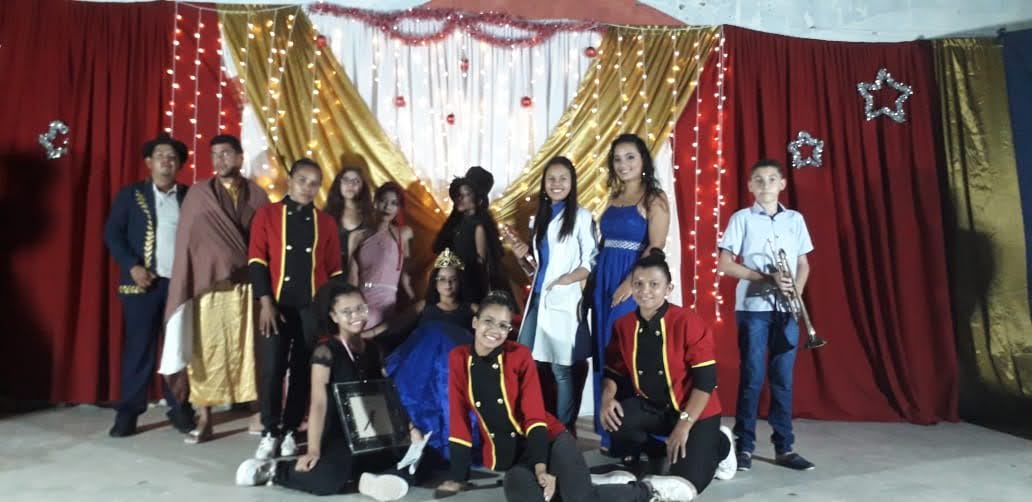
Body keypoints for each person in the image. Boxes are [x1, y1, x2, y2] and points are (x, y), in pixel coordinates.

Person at [436, 290, 694, 502]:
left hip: (550, 441)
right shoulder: (458, 358)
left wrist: (541, 468)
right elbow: (459, 419)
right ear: (475, 322)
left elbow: (534, 416)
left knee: (581, 500)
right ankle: (582, 481)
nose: (495, 330)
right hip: (513, 460)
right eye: (488, 321)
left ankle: (647, 491)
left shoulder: (519, 355)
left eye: (503, 325)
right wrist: (458, 477)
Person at [235, 283, 424, 500]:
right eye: (347, 312)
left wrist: (409, 428)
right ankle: (276, 471)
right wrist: (313, 450)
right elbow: (319, 403)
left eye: (360, 309)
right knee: (329, 478)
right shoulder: (326, 352)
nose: (356, 316)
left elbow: (386, 393)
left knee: (419, 456)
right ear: (334, 316)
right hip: (338, 433)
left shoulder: (373, 349)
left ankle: (366, 480)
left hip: (371, 430)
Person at [157, 134, 268, 444]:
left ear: (240, 157)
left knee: (251, 349)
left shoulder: (258, 195)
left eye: (227, 154)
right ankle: (205, 418)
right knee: (206, 351)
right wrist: (224, 260)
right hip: (209, 288)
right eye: (215, 155)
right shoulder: (198, 195)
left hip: (246, 287)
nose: (220, 160)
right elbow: (190, 243)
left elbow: (264, 240)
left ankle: (259, 411)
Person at [600, 250, 737, 500]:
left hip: (695, 413)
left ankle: (721, 444)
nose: (645, 291)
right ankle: (659, 452)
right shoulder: (624, 325)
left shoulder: (688, 321)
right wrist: (607, 398)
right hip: (653, 409)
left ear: (668, 288)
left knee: (686, 482)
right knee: (617, 419)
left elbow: (706, 382)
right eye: (638, 284)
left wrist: (684, 425)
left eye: (654, 284)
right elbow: (614, 370)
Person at [716, 158, 816, 471]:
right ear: (750, 186)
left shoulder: (795, 219)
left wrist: (796, 291)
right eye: (758, 179)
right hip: (753, 309)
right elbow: (724, 264)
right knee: (753, 377)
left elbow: (803, 264)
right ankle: (744, 446)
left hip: (787, 308)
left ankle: (784, 447)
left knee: (783, 379)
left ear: (782, 184)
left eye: (772, 179)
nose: (765, 185)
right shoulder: (742, 218)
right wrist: (765, 278)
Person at [248, 158, 343, 459]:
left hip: (311, 308)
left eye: (314, 183)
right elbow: (257, 261)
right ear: (290, 180)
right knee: (272, 368)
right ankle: (269, 430)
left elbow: (334, 270)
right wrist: (265, 302)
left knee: (302, 369)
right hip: (276, 305)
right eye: (302, 180)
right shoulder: (267, 214)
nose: (307, 188)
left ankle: (290, 429)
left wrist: (331, 309)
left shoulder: (326, 222)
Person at [103, 133, 195, 437]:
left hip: (179, 285)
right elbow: (113, 234)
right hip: (142, 285)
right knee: (139, 349)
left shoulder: (189, 197)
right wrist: (133, 267)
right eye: (160, 156)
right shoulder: (131, 195)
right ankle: (128, 413)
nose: (166, 161)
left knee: (177, 349)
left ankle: (180, 408)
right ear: (148, 162)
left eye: (172, 157)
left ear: (179, 164)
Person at [590, 134, 670, 449]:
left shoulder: (654, 198)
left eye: (630, 157)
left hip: (633, 281)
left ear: (643, 161)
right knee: (604, 350)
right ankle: (609, 432)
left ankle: (635, 431)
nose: (623, 164)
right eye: (617, 159)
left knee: (626, 353)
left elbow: (655, 247)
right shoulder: (614, 196)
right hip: (604, 279)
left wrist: (631, 283)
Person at [510, 156, 597, 429]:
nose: (556, 184)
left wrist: (567, 280)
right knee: (528, 360)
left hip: (563, 299)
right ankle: (536, 422)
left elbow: (591, 260)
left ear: (572, 183)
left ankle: (563, 429)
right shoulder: (541, 216)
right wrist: (522, 257)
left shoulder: (581, 217)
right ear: (544, 183)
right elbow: (537, 268)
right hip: (538, 299)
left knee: (561, 368)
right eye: (551, 179)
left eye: (562, 179)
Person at [384, 248, 476, 459]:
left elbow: (494, 323)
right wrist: (365, 335)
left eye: (453, 279)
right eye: (442, 279)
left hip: (456, 371)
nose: (447, 284)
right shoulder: (424, 306)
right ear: (434, 282)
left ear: (460, 282)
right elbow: (393, 326)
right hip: (424, 371)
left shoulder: (470, 309)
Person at [431, 166, 509, 304]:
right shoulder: (456, 223)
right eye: (458, 194)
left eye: (466, 194)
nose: (460, 198)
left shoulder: (479, 226)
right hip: (451, 286)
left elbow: (481, 265)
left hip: (468, 289)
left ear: (478, 199)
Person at [348, 182, 414, 333]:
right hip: (360, 299)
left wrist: (413, 300)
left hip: (384, 303)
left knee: (362, 322)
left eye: (394, 203)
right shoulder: (356, 236)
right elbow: (352, 280)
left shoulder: (403, 233)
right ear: (375, 203)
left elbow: (405, 275)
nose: (387, 207)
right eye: (383, 201)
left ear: (398, 209)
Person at [324, 165, 374, 276]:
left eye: (356, 181)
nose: (350, 185)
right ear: (339, 184)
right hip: (331, 273)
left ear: (363, 186)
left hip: (361, 273)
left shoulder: (370, 214)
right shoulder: (327, 213)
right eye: (346, 180)